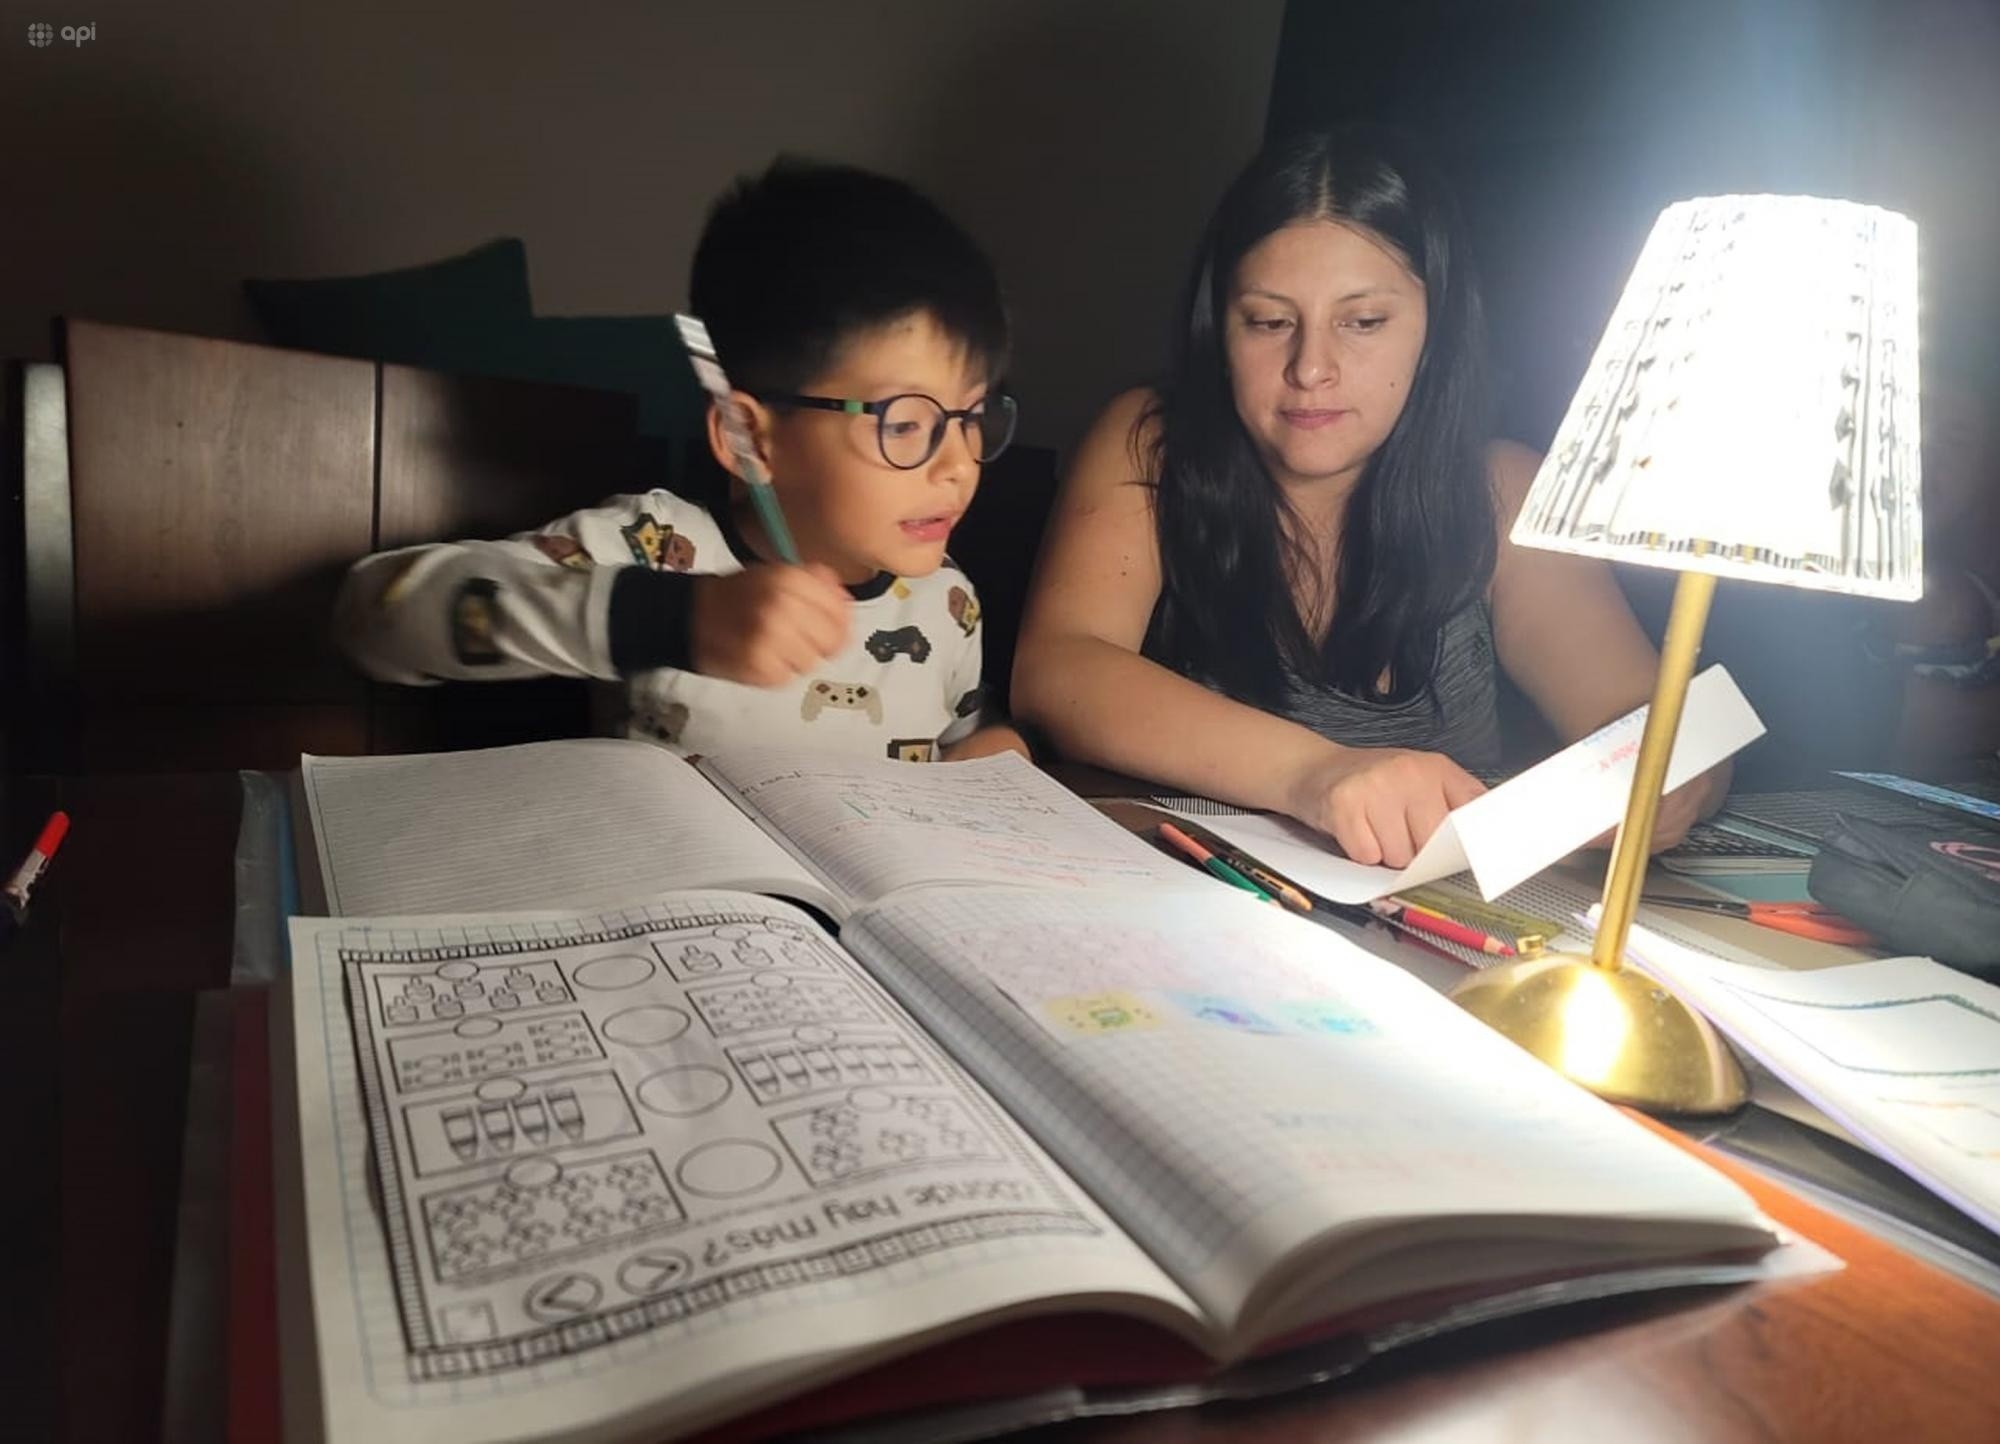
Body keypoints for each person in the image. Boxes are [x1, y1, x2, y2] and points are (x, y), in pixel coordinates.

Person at [1012, 127, 1726, 867]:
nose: (1311, 367)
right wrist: (1316, 774)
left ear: (1433, 331)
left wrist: (1679, 778)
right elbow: (1059, 668)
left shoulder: (1505, 491)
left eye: (1363, 322)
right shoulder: (1152, 442)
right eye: (1269, 321)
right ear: (1218, 324)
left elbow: (1662, 730)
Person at [335, 158, 1025, 764]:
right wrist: (669, 620)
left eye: (972, 417)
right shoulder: (663, 553)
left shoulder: (948, 600)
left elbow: (958, 735)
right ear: (748, 438)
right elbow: (375, 617)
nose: (960, 464)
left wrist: (985, 754)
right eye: (906, 424)